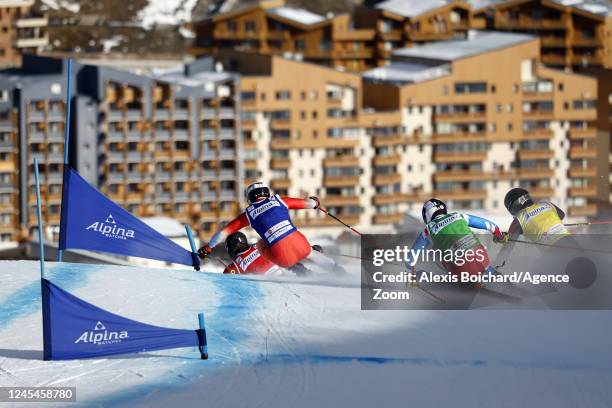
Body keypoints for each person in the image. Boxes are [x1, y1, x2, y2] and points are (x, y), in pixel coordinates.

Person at [198, 182, 339, 275]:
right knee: (308, 252)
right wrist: (314, 201)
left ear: (250, 199)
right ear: (266, 193)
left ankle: (298, 270)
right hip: (299, 243)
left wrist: (208, 248)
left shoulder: (248, 214)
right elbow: (311, 203)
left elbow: (223, 233)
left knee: (261, 244)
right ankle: (338, 272)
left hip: (281, 256)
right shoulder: (279, 200)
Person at [407, 198, 506, 282]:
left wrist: (410, 274)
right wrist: (500, 236)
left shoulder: (428, 230)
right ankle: (493, 273)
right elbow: (490, 225)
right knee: (473, 246)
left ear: (427, 215)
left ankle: (451, 282)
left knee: (434, 252)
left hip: (459, 269)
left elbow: (411, 259)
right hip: (482, 257)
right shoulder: (459, 216)